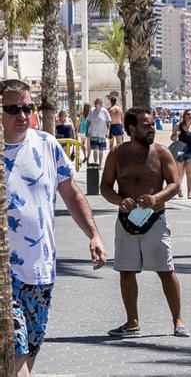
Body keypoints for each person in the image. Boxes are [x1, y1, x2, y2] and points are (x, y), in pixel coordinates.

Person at [2, 79, 107, 377]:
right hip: (5, 277)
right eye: (12, 109)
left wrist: (94, 235)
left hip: (42, 271)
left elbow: (71, 193)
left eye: (27, 107)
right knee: (16, 357)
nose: (22, 115)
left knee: (25, 358)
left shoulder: (47, 144)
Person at [100, 107, 189, 338]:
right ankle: (132, 322)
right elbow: (105, 186)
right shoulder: (117, 154)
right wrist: (120, 201)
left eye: (152, 124)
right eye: (146, 125)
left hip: (155, 219)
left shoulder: (161, 153)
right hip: (126, 221)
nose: (152, 129)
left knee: (165, 270)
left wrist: (155, 199)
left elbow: (174, 184)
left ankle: (178, 321)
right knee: (126, 271)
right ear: (131, 129)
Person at [86, 98, 111, 166]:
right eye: (95, 102)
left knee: (101, 150)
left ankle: (100, 164)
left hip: (102, 134)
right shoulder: (91, 110)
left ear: (101, 103)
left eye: (97, 102)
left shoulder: (104, 111)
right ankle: (95, 163)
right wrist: (86, 131)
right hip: (93, 134)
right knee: (95, 149)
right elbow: (88, 122)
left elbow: (108, 122)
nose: (96, 103)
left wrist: (108, 131)